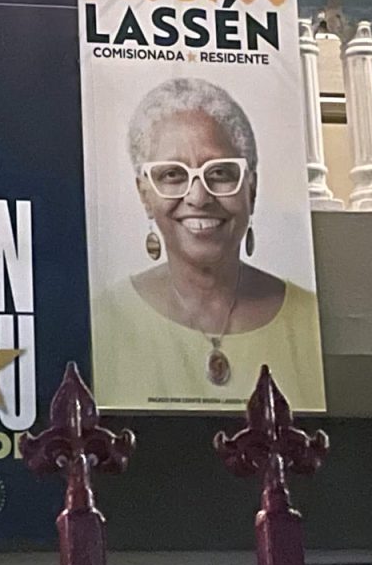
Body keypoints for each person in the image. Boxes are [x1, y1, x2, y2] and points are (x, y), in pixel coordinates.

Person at [93, 77, 322, 407]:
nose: (199, 197)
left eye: (220, 173)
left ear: (251, 189)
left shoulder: (306, 318)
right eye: (172, 175)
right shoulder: (104, 320)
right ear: (144, 194)